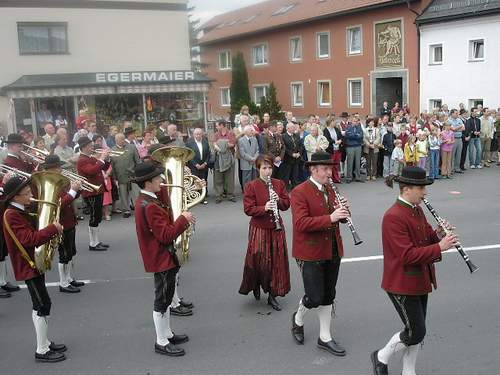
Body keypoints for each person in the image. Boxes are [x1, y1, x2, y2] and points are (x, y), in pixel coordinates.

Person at [372, 167, 459, 375]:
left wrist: (438, 234)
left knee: (417, 331)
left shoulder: (416, 209)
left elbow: (426, 239)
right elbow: (407, 255)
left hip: (419, 279)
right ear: (407, 189)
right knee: (416, 331)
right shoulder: (393, 216)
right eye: (422, 188)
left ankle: (408, 371)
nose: (425, 192)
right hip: (401, 283)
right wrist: (440, 247)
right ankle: (381, 356)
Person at [290, 151, 350, 357]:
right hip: (310, 251)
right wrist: (331, 217)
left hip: (333, 247)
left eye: (330, 168)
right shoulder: (299, 192)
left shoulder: (331, 189)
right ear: (313, 170)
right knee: (314, 297)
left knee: (328, 295)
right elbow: (300, 224)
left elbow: (337, 217)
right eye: (325, 169)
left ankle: (325, 337)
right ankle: (298, 319)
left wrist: (343, 214)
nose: (329, 172)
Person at [132, 162, 195, 357]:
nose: (162, 180)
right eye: (158, 178)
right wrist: (183, 219)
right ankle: (161, 341)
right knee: (161, 299)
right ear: (148, 182)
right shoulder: (149, 205)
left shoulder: (149, 199)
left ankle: (167, 333)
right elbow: (166, 236)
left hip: (161, 256)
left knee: (166, 298)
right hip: (160, 258)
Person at [3, 175, 66, 362]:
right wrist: (53, 229)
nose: (31, 195)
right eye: (27, 193)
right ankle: (41, 350)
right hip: (27, 264)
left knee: (40, 304)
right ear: (15, 197)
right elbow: (29, 239)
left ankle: (44, 341)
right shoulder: (12, 214)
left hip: (32, 263)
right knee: (42, 304)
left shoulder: (19, 210)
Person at [239, 155, 291, 311]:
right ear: (258, 169)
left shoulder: (279, 184)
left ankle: (272, 295)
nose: (267, 171)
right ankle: (255, 284)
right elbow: (248, 209)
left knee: (276, 262)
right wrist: (264, 208)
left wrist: (278, 201)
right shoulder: (251, 186)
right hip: (259, 228)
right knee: (257, 260)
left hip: (276, 229)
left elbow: (286, 205)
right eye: (264, 168)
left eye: (269, 168)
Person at [40, 155, 85, 293]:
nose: (61, 169)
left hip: (69, 220)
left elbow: (70, 198)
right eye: (58, 167)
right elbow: (59, 204)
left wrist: (77, 189)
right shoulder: (50, 183)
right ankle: (63, 282)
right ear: (52, 168)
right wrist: (72, 191)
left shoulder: (60, 180)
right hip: (61, 222)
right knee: (64, 254)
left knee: (71, 252)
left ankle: (69, 278)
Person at [76, 137, 110, 251]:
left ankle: (96, 241)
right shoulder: (82, 159)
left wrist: (106, 158)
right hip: (90, 192)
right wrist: (102, 158)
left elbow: (103, 167)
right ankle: (93, 243)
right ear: (84, 147)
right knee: (94, 217)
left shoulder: (89, 157)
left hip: (97, 190)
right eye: (90, 146)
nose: (92, 148)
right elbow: (92, 170)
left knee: (97, 217)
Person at [112, 132, 141, 217]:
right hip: (120, 175)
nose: (123, 140)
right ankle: (126, 210)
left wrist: (138, 172)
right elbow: (112, 166)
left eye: (123, 138)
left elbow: (138, 161)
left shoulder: (132, 147)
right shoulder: (112, 150)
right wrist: (114, 178)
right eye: (120, 139)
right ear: (116, 140)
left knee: (136, 193)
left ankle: (138, 209)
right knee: (123, 194)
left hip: (133, 174)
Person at [212, 120, 236, 203]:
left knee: (229, 177)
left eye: (217, 125)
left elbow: (232, 144)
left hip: (229, 158)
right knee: (218, 177)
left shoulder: (231, 133)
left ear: (222, 125)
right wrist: (225, 143)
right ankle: (219, 195)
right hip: (218, 159)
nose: (216, 127)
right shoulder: (216, 134)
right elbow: (214, 145)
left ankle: (230, 195)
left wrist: (220, 143)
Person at [185, 128, 210, 204]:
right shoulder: (189, 143)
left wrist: (205, 163)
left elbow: (208, 154)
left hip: (203, 165)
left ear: (202, 134)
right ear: (193, 135)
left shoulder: (205, 141)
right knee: (195, 181)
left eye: (199, 134)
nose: (198, 136)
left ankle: (203, 197)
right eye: (196, 134)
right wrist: (195, 164)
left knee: (203, 180)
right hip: (194, 165)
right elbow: (188, 154)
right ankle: (195, 197)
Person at [282, 122, 302, 189]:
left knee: (295, 175)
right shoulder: (283, 136)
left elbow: (300, 145)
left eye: (294, 127)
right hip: (288, 159)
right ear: (287, 128)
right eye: (292, 127)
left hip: (296, 159)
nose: (294, 128)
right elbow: (284, 148)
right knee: (286, 176)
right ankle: (286, 190)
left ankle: (295, 188)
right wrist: (292, 154)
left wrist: (299, 153)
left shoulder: (296, 135)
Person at [344, 115, 364, 183]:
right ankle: (349, 177)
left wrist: (353, 135)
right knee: (350, 162)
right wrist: (355, 135)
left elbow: (361, 136)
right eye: (354, 121)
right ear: (351, 121)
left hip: (358, 146)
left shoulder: (359, 127)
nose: (355, 122)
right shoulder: (348, 127)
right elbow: (347, 135)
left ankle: (358, 177)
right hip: (350, 147)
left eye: (356, 121)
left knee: (358, 162)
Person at [323, 119, 343, 183]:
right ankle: (329, 179)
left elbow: (341, 136)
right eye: (334, 121)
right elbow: (327, 139)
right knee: (330, 165)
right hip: (330, 150)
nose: (335, 123)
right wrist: (334, 141)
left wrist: (340, 140)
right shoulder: (325, 130)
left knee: (336, 165)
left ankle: (336, 178)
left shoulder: (336, 129)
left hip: (337, 149)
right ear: (330, 122)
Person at [448, 109, 465, 174]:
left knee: (459, 154)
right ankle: (451, 169)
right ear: (452, 114)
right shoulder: (449, 120)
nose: (457, 114)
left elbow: (464, 128)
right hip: (453, 139)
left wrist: (457, 128)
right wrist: (460, 126)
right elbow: (453, 129)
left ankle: (457, 168)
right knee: (452, 154)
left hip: (459, 138)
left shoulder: (459, 119)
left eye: (457, 113)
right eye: (456, 113)